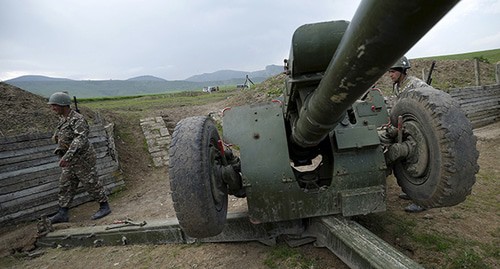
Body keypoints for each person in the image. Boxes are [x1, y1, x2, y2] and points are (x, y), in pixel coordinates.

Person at [47, 92, 111, 223]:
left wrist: (67, 156)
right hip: (70, 159)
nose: (52, 108)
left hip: (82, 158)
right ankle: (62, 213)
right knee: (65, 184)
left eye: (54, 105)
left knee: (90, 182)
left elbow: (80, 139)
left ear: (63, 105)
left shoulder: (78, 119)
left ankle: (104, 206)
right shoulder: (63, 119)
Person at [388, 56, 428, 213]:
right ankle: (410, 191)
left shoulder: (416, 84)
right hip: (406, 128)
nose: (390, 75)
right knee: (407, 161)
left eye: (392, 72)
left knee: (422, 164)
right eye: (389, 72)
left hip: (419, 129)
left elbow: (430, 104)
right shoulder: (398, 86)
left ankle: (422, 200)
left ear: (402, 71)